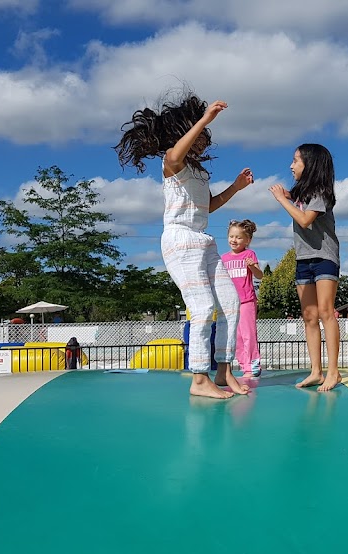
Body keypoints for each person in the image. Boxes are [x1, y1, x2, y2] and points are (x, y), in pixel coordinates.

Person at [115, 90, 252, 399]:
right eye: (201, 133)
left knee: (230, 304)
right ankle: (199, 378)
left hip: (204, 241)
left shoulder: (199, 172)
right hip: (180, 239)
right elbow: (176, 154)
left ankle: (223, 369)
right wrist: (204, 117)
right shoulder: (172, 163)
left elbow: (209, 205)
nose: (205, 139)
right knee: (202, 308)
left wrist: (236, 187)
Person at [269, 143, 341, 392]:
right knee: (309, 316)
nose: (291, 165)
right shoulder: (302, 194)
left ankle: (334, 372)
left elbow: (304, 220)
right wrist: (289, 196)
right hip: (303, 259)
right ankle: (316, 371)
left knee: (325, 311)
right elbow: (298, 203)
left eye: (296, 161)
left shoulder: (321, 192)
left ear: (310, 164)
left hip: (324, 256)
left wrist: (281, 199)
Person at [221, 219, 263, 377]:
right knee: (235, 336)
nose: (234, 240)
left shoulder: (249, 254)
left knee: (248, 333)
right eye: (231, 236)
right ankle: (244, 366)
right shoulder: (223, 258)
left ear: (247, 240)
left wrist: (252, 266)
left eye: (238, 237)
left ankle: (253, 363)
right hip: (230, 303)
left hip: (246, 301)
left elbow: (260, 275)